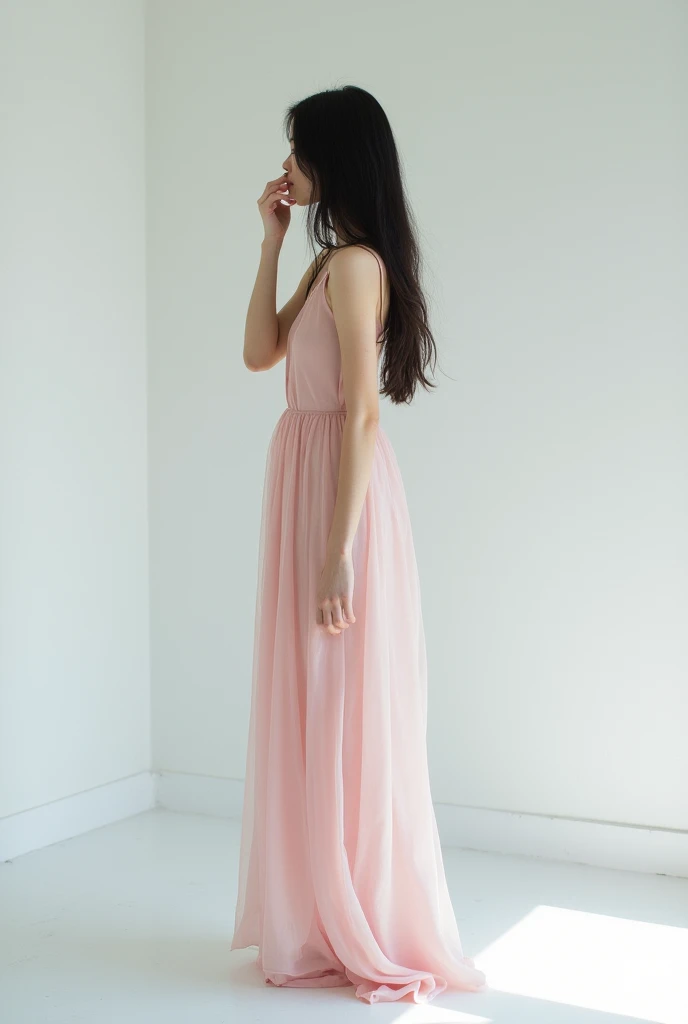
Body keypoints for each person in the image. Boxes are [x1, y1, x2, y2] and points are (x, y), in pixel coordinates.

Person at [230, 85, 487, 1005]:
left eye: (297, 152)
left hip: (339, 493)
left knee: (340, 698)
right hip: (302, 478)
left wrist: (337, 550)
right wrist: (269, 242)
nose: (286, 167)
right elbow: (260, 353)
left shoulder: (355, 267)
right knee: (311, 696)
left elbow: (364, 416)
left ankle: (360, 911)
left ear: (333, 161)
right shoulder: (325, 261)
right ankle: (317, 910)